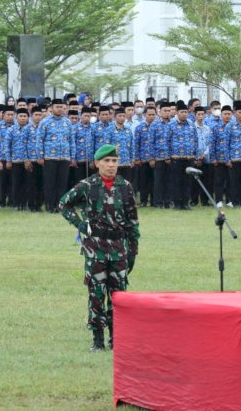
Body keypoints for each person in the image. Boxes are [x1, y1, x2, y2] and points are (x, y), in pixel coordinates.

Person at [59, 144, 140, 352]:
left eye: (115, 161)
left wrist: (132, 250)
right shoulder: (87, 185)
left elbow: (133, 222)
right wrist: (79, 225)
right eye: (107, 161)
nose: (112, 165)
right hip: (95, 247)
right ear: (97, 163)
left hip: (119, 247)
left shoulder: (125, 186)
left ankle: (117, 338)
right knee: (96, 293)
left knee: (118, 294)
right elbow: (63, 204)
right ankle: (97, 340)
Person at [39, 99, 72, 213]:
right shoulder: (45, 122)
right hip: (50, 157)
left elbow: (71, 141)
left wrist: (72, 156)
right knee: (50, 183)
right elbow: (40, 140)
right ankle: (50, 205)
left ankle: (60, 206)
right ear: (52, 108)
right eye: (57, 107)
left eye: (62, 107)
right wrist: (40, 156)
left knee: (62, 183)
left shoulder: (67, 122)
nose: (60, 109)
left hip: (64, 157)